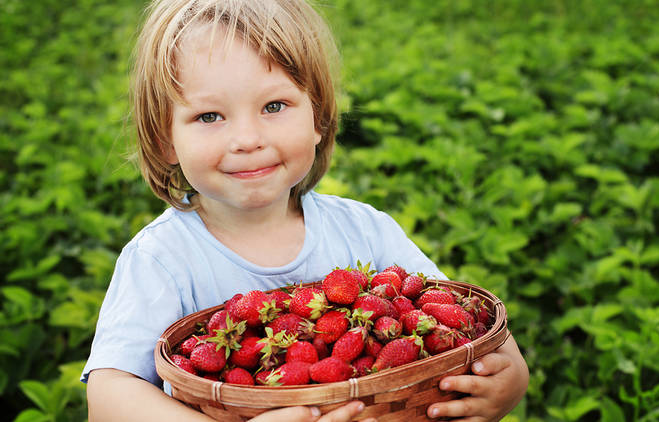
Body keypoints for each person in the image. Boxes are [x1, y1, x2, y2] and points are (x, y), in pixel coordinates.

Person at [82, 0, 529, 421]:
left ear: (318, 118)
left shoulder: (366, 231)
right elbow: (108, 396)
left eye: (274, 106)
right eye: (209, 117)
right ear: (165, 141)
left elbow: (466, 315)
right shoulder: (162, 259)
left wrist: (510, 376)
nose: (247, 139)